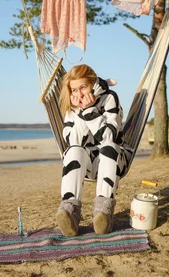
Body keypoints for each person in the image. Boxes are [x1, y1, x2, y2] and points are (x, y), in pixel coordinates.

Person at [56, 64, 133, 237]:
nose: (79, 94)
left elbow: (108, 137)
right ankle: (70, 212)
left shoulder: (110, 98)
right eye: (74, 90)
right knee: (73, 151)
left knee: (108, 148)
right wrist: (80, 111)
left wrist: (90, 111)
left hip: (114, 161)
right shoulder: (73, 105)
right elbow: (74, 142)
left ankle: (103, 214)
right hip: (88, 164)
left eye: (83, 87)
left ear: (93, 83)